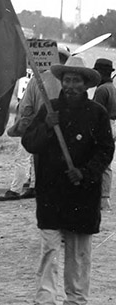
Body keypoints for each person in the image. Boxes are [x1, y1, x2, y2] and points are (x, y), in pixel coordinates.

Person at [22, 56, 113, 305]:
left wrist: (85, 173)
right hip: (51, 193)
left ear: (85, 84)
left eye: (77, 80)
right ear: (62, 82)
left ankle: (76, 300)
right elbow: (29, 143)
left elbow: (106, 150)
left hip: (83, 194)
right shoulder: (49, 109)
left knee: (79, 255)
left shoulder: (97, 113)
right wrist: (47, 127)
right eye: (68, 80)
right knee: (49, 251)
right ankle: (45, 300)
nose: (71, 85)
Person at [0, 46, 71, 201]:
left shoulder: (38, 79)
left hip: (39, 127)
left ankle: (16, 189)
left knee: (25, 157)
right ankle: (36, 187)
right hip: (64, 128)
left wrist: (22, 126)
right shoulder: (69, 81)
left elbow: (26, 107)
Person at [92, 58, 116, 211]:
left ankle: (101, 198)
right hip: (113, 125)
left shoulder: (102, 90)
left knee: (100, 161)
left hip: (104, 126)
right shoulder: (112, 88)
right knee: (107, 162)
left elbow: (96, 113)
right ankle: (105, 198)